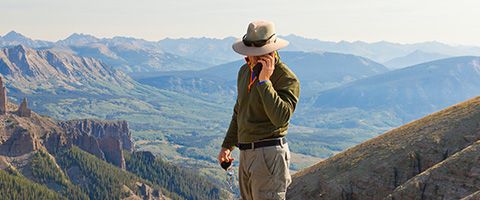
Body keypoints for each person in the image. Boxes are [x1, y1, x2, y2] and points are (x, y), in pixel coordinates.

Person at [217, 20, 300, 200]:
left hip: (269, 155)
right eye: (248, 54)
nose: (250, 58)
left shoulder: (286, 78)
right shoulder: (245, 72)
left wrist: (264, 82)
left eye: (256, 54)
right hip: (246, 154)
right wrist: (227, 145)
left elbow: (281, 118)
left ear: (270, 52)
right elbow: (240, 111)